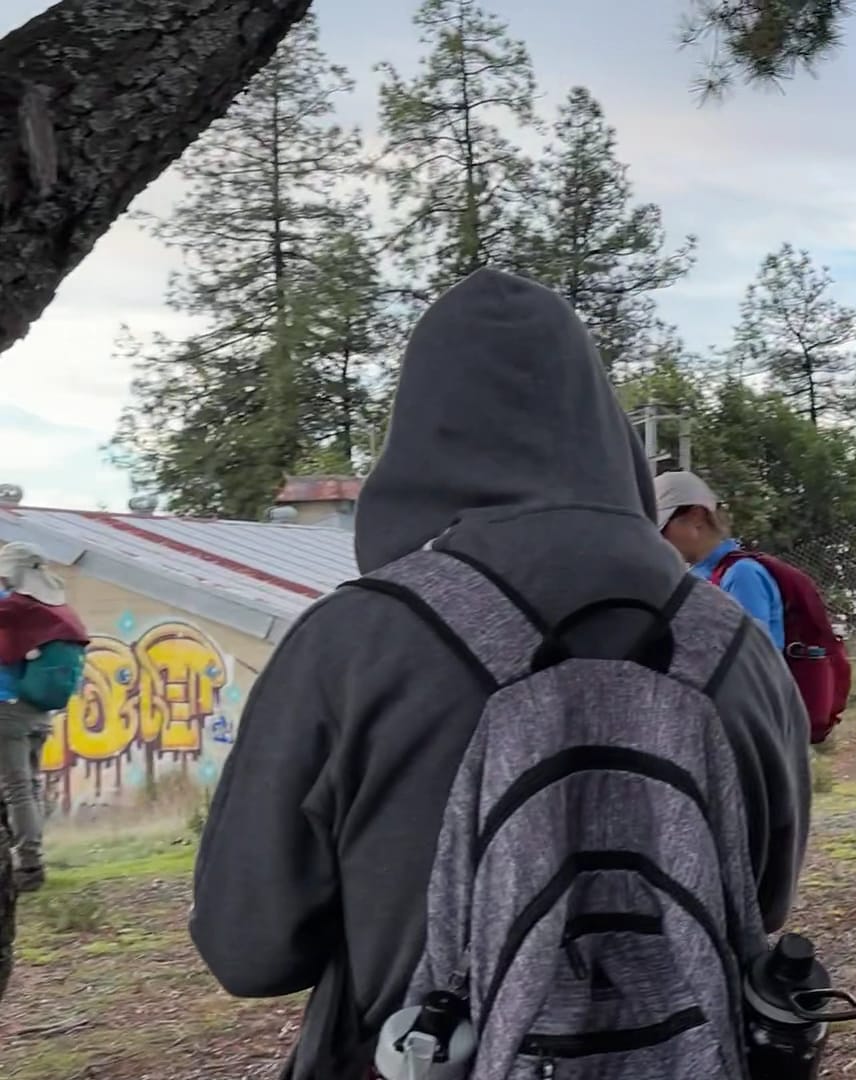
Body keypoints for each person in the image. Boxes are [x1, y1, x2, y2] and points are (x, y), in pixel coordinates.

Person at [189, 270, 812, 1080]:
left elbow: (250, 949)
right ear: (606, 429)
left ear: (419, 438)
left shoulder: (352, 641)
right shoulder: (735, 644)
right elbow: (757, 904)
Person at [0, 541, 88, 893]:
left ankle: (29, 867)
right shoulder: (51, 608)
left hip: (8, 710)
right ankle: (31, 859)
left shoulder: (14, 608)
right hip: (39, 712)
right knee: (30, 788)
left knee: (17, 789)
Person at [655, 471, 785, 650]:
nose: (658, 540)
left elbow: (749, 657)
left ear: (696, 517)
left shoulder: (742, 574)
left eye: (661, 530)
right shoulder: (696, 576)